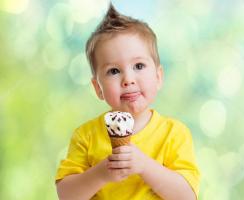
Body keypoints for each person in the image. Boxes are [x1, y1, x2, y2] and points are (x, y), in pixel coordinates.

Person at [55, 4, 200, 200]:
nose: (128, 79)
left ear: (158, 77)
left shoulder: (174, 134)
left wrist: (144, 166)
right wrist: (101, 173)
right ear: (98, 88)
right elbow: (66, 195)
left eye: (139, 65)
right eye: (114, 71)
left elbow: (187, 196)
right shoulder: (86, 136)